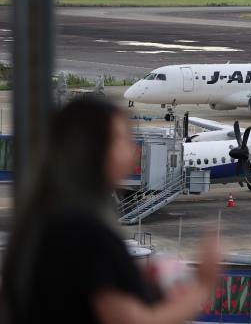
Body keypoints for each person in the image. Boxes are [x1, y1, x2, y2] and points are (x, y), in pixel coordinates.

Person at [2, 97, 219, 323]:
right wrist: (202, 288)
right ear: (92, 151)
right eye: (122, 139)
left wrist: (125, 276)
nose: (134, 151)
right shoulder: (89, 232)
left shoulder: (43, 216)